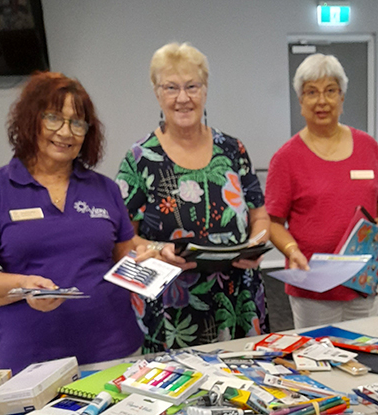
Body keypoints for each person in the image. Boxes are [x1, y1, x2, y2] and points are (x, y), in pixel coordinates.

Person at [0, 72, 166, 374]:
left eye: (77, 122)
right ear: (31, 119)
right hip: (33, 357)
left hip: (115, 347)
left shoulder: (105, 188)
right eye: (54, 118)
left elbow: (126, 254)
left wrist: (155, 254)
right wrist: (24, 285)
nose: (66, 132)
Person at [115, 42, 270, 353]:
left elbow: (259, 215)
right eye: (171, 87)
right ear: (157, 93)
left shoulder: (232, 148)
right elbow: (121, 238)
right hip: (171, 305)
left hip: (237, 295)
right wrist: (158, 250)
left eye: (191, 86)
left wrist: (257, 243)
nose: (182, 98)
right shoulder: (140, 158)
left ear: (205, 89)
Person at [266, 53, 378, 329]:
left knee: (365, 351)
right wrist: (291, 250)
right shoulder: (286, 159)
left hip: (364, 278)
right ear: (300, 100)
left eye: (330, 91)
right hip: (313, 284)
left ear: (342, 97)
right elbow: (273, 222)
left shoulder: (368, 146)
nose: (321, 101)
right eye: (311, 92)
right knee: (320, 359)